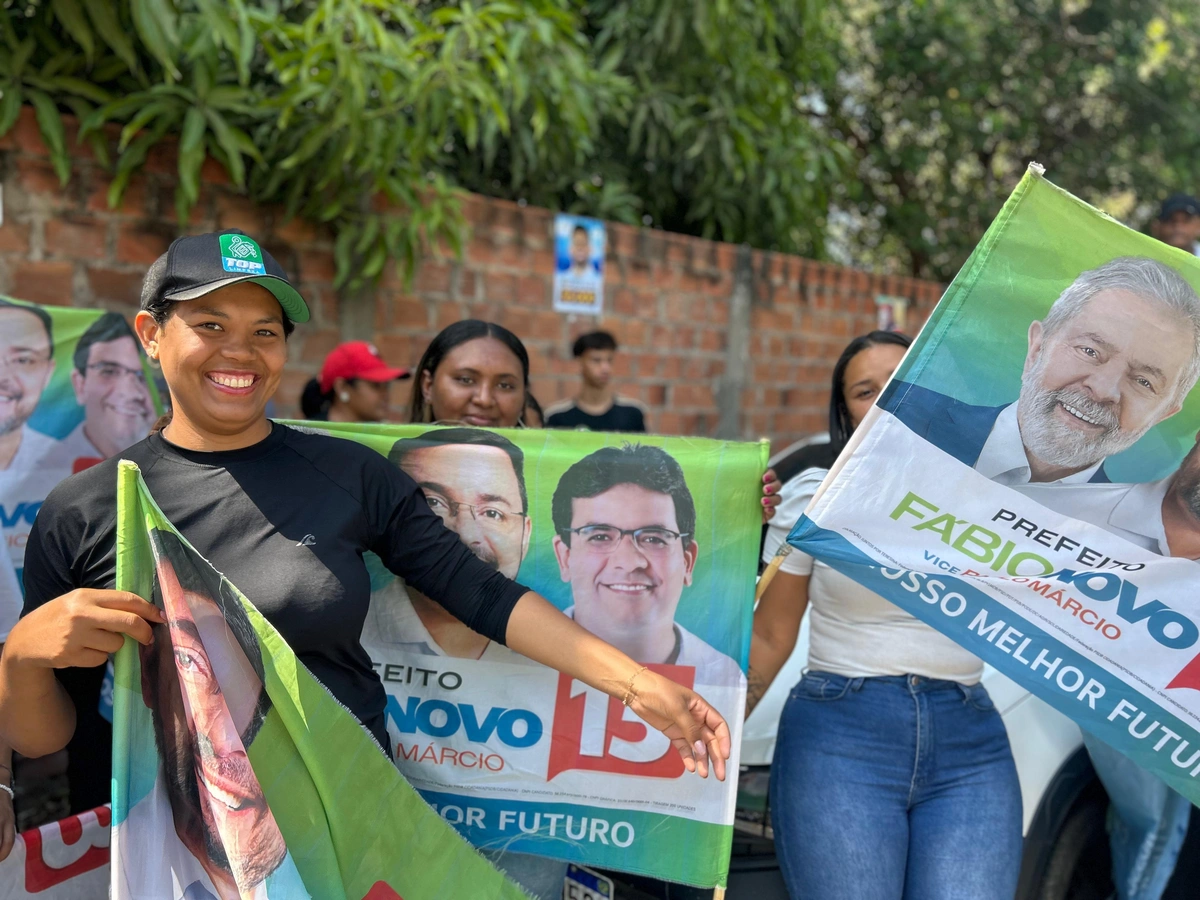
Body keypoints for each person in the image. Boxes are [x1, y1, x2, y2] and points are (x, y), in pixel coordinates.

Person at [0, 232, 731, 895]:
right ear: (151, 336)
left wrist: (637, 685)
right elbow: (46, 739)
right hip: (172, 855)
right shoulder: (87, 510)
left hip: (346, 840)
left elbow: (484, 596)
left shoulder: (351, 475)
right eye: (210, 325)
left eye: (265, 332)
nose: (240, 352)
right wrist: (20, 662)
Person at [751, 330, 1024, 900]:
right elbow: (772, 634)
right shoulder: (815, 497)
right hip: (838, 737)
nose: (883, 399)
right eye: (863, 390)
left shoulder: (997, 499)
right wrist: (706, 731)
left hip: (969, 739)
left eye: (900, 383)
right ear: (844, 412)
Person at [882, 256, 1200, 485]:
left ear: (1163, 413)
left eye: (1143, 381)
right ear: (1036, 348)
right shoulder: (897, 419)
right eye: (1090, 351)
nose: (1103, 389)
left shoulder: (1137, 549)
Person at [121, 529, 306, 900]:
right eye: (190, 662)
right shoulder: (128, 850)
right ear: (147, 671)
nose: (226, 739)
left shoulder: (349, 854)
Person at [551, 444, 741, 685]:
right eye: (599, 537)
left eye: (653, 539)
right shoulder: (518, 662)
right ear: (564, 557)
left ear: (687, 562)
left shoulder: (723, 678)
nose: (629, 563)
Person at [362, 428, 533, 663]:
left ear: (526, 534)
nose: (465, 533)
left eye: (493, 513)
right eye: (433, 503)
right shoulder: (344, 630)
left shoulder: (559, 654)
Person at [56, 312, 155, 470]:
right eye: (109, 372)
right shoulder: (43, 467)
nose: (131, 392)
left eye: (139, 376)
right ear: (80, 384)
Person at [544, 331, 648, 433]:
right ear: (579, 363)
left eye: (609, 360)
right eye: (596, 360)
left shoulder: (632, 413)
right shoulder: (557, 417)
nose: (605, 368)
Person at [299, 340, 409, 423]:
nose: (385, 394)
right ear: (341, 388)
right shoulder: (310, 438)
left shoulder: (383, 437)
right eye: (375, 385)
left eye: (386, 385)